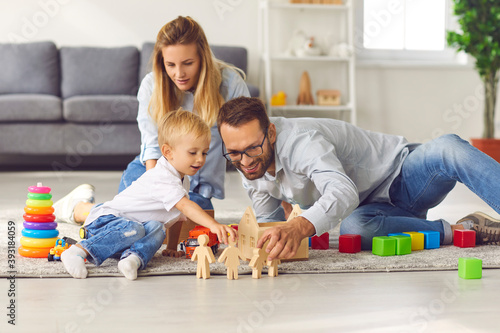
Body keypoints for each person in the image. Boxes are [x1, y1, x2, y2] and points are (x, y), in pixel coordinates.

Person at [216, 96, 500, 261]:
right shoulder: (249, 171)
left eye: (254, 147)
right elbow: (270, 225)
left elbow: (343, 191)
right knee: (353, 229)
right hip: (375, 212)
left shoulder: (302, 142)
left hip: (404, 177)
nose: (246, 160)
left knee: (448, 148)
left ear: (272, 133)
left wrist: (300, 227)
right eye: (235, 153)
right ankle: (462, 229)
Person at [53, 15, 250, 224]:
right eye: (170, 64)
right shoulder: (151, 85)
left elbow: (248, 142)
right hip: (151, 173)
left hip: (196, 186)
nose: (179, 73)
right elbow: (152, 147)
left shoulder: (230, 84)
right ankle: (77, 208)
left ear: (203, 58)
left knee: (188, 227)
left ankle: (83, 208)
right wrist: (158, 198)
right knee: (131, 221)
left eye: (188, 63)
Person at [61, 109, 237, 280]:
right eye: (193, 153)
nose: (200, 159)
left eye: (204, 153)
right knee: (136, 228)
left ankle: (133, 259)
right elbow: (185, 206)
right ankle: (77, 251)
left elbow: (177, 215)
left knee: (157, 227)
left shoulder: (182, 180)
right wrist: (213, 224)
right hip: (103, 225)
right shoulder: (162, 177)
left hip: (127, 237)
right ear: (168, 152)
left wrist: (172, 246)